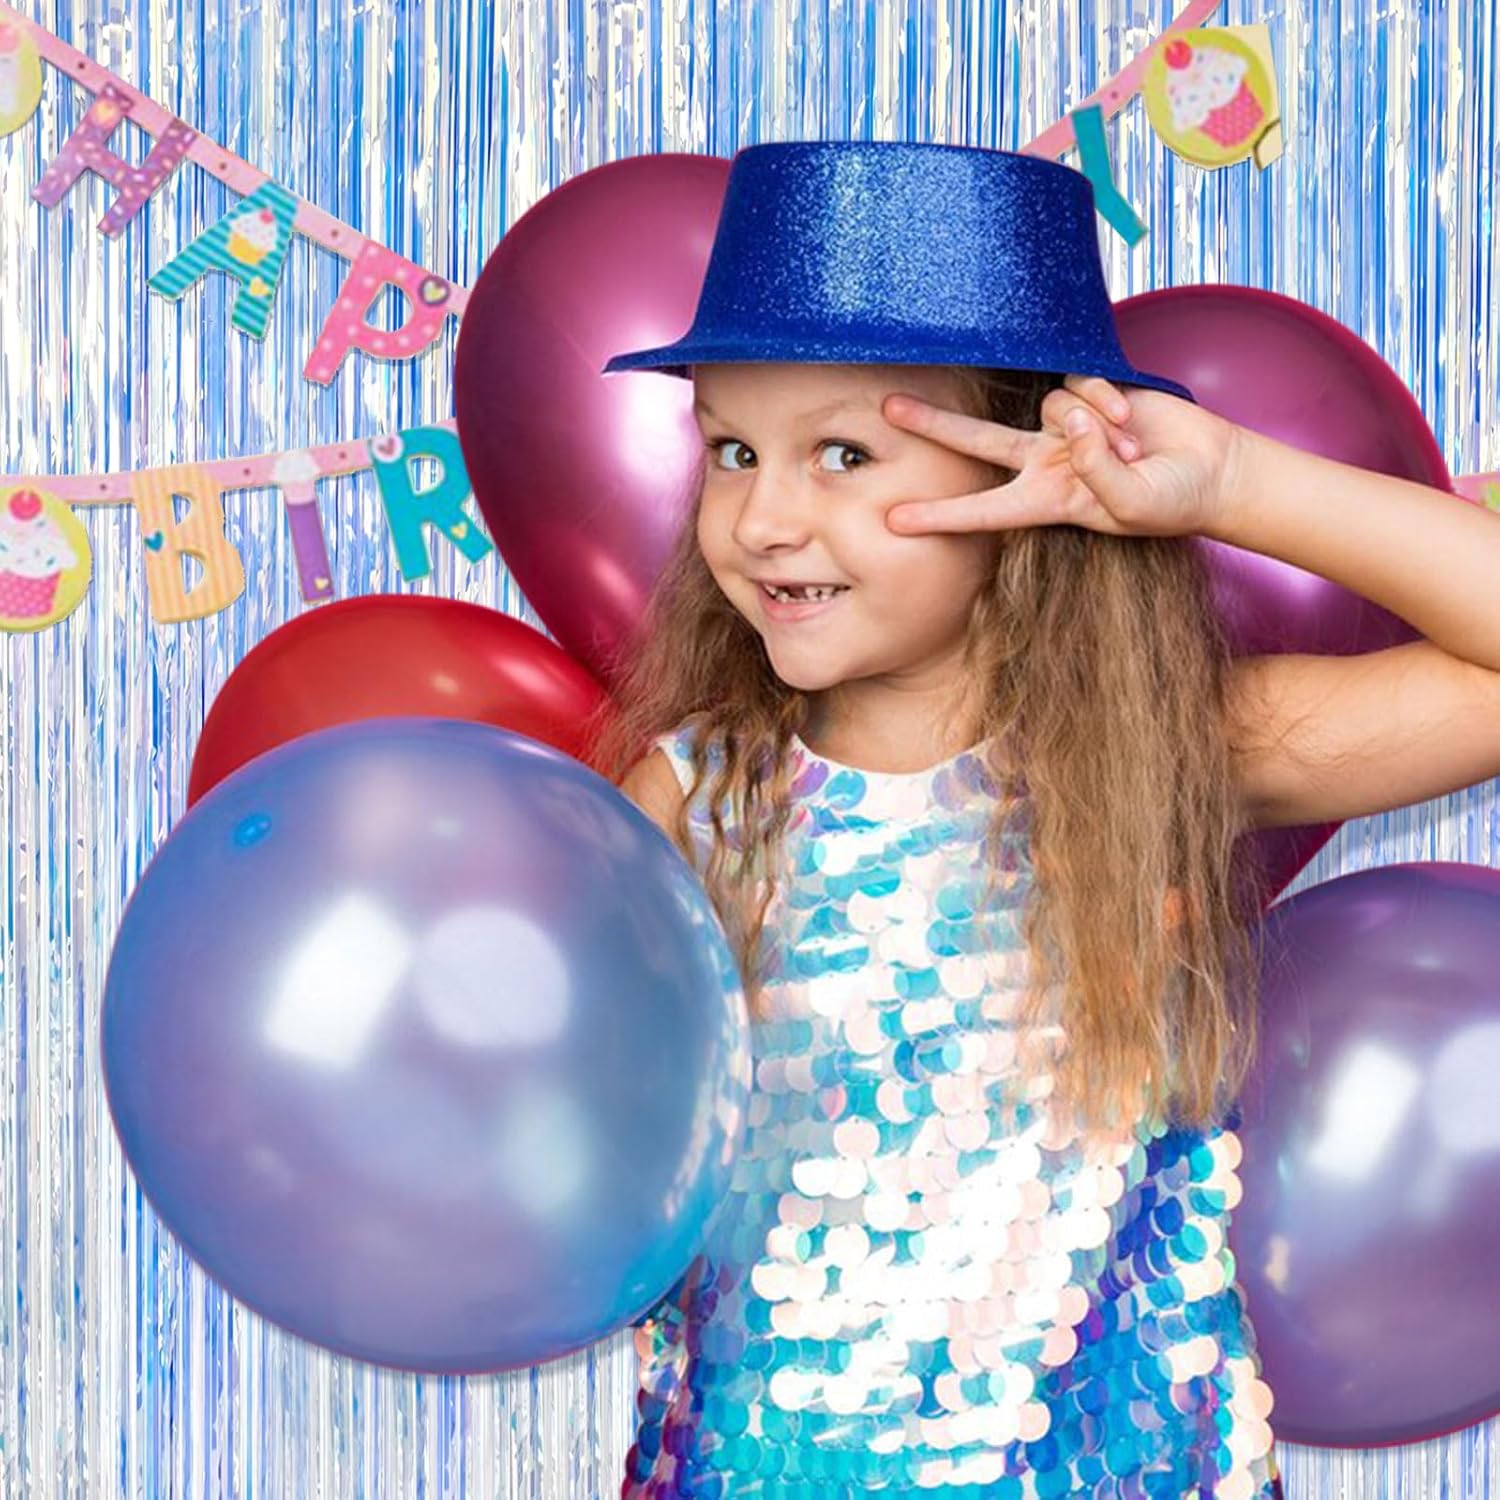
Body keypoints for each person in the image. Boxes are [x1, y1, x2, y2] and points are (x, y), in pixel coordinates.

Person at [592, 142, 1500, 1498]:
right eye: (732, 449)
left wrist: (1230, 483)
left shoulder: (1159, 756)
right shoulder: (696, 805)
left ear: (1030, 470)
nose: (764, 518)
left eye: (842, 453)